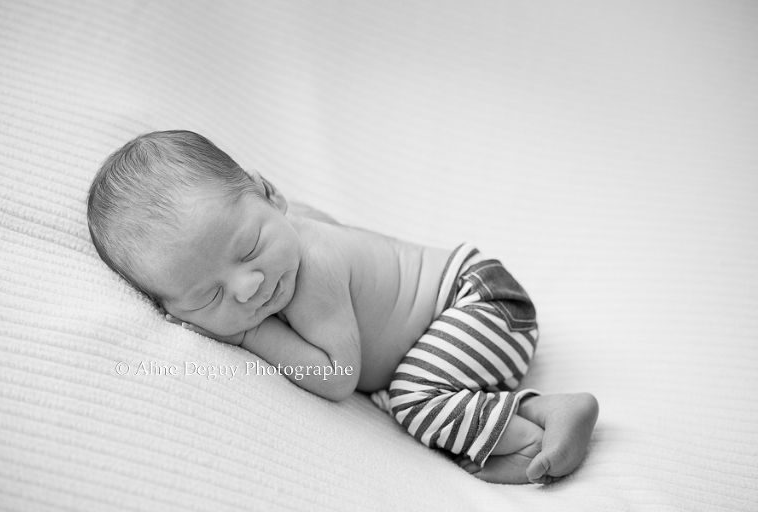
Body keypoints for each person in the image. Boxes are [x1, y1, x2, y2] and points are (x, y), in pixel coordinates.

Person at [87, 130, 598, 484]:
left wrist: (248, 335)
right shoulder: (279, 241)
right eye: (209, 296)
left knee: (413, 399)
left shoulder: (312, 267)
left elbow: (337, 377)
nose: (247, 288)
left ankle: (526, 441)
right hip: (472, 319)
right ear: (174, 312)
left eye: (249, 249)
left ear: (270, 194)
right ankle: (545, 409)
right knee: (408, 391)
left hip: (480, 304)